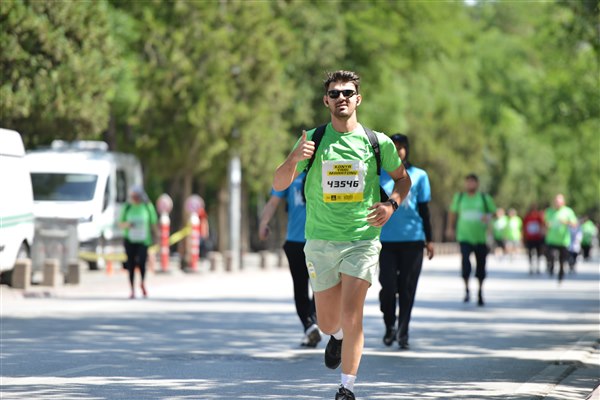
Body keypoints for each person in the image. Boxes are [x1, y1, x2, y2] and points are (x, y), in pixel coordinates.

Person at [272, 70, 411, 400]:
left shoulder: (377, 142)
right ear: (326, 101)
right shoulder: (314, 140)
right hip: (320, 241)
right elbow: (278, 183)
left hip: (362, 240)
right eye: (334, 94)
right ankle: (334, 337)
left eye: (348, 93)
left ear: (358, 99)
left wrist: (391, 204)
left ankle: (346, 387)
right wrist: (294, 157)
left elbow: (402, 179)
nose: (341, 98)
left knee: (352, 315)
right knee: (327, 322)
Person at [378, 133, 434, 350]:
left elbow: (424, 210)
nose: (398, 150)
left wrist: (430, 239)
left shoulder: (419, 175)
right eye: (393, 146)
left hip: (413, 240)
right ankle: (389, 325)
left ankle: (403, 332)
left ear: (407, 150)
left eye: (401, 147)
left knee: (407, 289)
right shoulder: (378, 174)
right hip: (385, 241)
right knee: (388, 287)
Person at [258, 171, 321, 348]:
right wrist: (263, 223)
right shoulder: (291, 173)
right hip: (295, 241)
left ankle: (314, 322)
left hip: (321, 241)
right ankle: (309, 326)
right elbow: (273, 202)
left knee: (322, 286)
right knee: (300, 287)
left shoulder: (323, 169)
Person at [445, 174, 496, 306]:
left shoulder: (484, 198)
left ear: (477, 184)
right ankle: (467, 289)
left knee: (481, 266)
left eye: (473, 182)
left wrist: (488, 217)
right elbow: (452, 213)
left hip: (481, 238)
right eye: (468, 182)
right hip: (464, 237)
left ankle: (480, 291)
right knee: (466, 264)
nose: (470, 184)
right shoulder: (460, 198)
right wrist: (450, 228)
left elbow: (494, 213)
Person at [119, 185, 158, 299]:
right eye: (133, 196)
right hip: (130, 239)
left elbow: (153, 221)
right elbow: (120, 223)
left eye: (137, 196)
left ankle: (142, 282)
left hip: (143, 240)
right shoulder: (127, 207)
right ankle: (132, 289)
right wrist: (128, 225)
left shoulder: (147, 206)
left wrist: (157, 237)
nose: (135, 199)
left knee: (142, 262)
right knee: (130, 264)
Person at [544, 194, 577, 282]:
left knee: (562, 261)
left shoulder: (568, 211)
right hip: (551, 240)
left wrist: (566, 222)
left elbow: (574, 224)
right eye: (556, 202)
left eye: (559, 202)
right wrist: (546, 226)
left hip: (563, 241)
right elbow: (545, 224)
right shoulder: (549, 211)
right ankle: (551, 266)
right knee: (551, 255)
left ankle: (561, 275)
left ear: (563, 202)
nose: (557, 204)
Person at [522, 203, 546, 274]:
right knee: (530, 253)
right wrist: (524, 237)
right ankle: (531, 266)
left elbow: (542, 225)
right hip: (529, 238)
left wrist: (542, 234)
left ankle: (538, 266)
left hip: (537, 238)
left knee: (538, 253)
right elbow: (524, 227)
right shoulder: (527, 217)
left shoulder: (538, 216)